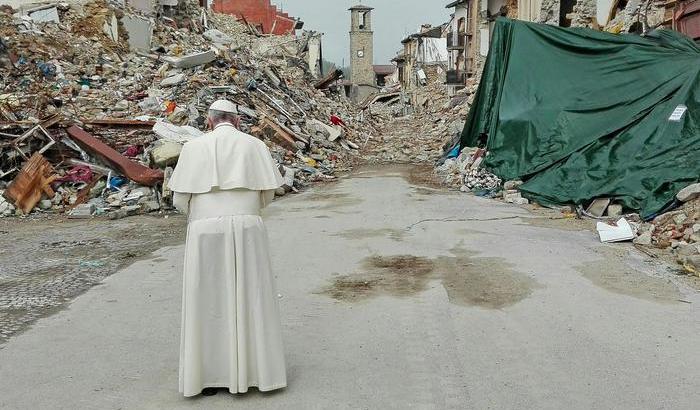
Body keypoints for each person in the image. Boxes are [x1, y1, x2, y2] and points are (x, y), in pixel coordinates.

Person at [168, 99, 287, 397]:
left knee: (206, 300)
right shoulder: (254, 146)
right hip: (248, 226)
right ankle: (258, 376)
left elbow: (180, 200)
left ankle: (206, 378)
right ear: (237, 121)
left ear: (208, 122)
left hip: (204, 229)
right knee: (252, 296)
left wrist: (203, 213)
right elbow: (268, 192)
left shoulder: (193, 148)